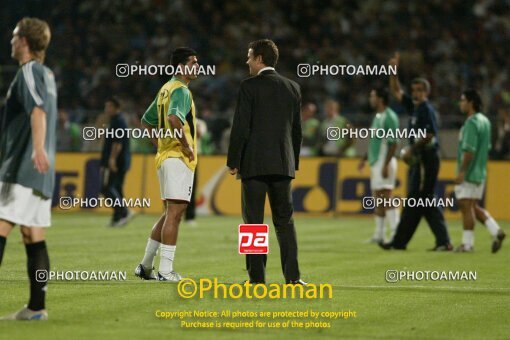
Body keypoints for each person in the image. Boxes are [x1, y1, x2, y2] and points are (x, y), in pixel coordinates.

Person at [227, 39, 306, 285]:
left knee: (253, 223)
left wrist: (233, 160)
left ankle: (257, 279)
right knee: (285, 222)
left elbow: (241, 126)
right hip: (283, 164)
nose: (247, 61)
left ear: (260, 58)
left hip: (254, 164)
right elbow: (296, 131)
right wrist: (292, 161)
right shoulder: (293, 87)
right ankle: (293, 278)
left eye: (249, 56)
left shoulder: (249, 87)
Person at [0, 17, 56, 320]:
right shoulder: (47, 73)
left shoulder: (30, 71)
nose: (10, 41)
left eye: (13, 36)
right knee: (33, 234)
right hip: (40, 172)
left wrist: (36, 149)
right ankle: (36, 308)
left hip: (22, 167)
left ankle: (37, 307)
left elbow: (37, 109)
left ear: (23, 41)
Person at [134, 47, 199, 282]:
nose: (197, 66)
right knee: (175, 213)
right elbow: (173, 118)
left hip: (164, 157)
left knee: (168, 213)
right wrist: (185, 145)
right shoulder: (181, 90)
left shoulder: (165, 88)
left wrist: (159, 142)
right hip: (177, 159)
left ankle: (145, 265)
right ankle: (166, 270)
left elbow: (146, 120)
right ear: (181, 66)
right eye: (193, 62)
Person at [380, 52, 452, 251]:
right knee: (425, 201)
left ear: (426, 92)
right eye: (414, 90)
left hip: (426, 158)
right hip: (420, 159)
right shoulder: (415, 107)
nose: (416, 93)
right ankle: (442, 241)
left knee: (415, 199)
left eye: (420, 90)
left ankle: (399, 242)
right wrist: (393, 72)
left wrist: (411, 150)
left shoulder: (426, 109)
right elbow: (396, 92)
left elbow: (429, 134)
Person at [454, 89, 505, 252]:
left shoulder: (471, 122)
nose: (460, 103)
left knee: (465, 206)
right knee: (473, 206)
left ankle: (467, 244)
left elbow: (468, 151)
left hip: (469, 172)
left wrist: (462, 171)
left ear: (471, 103)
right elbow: (487, 147)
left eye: (463, 100)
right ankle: (496, 231)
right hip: (480, 171)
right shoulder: (485, 121)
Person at [358, 88, 400, 243]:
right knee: (378, 199)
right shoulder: (377, 116)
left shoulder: (390, 117)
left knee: (387, 197)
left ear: (380, 99)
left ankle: (396, 232)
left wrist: (386, 164)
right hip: (376, 161)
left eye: (373, 95)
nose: (371, 98)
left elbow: (394, 143)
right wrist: (364, 159)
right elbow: (374, 142)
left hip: (384, 161)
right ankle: (379, 234)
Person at [100, 96, 133, 227]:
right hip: (120, 160)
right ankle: (117, 217)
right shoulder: (117, 121)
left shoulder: (118, 122)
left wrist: (112, 159)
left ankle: (124, 211)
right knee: (116, 188)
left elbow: (117, 143)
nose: (106, 109)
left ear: (116, 108)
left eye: (109, 106)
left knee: (107, 188)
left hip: (117, 161)